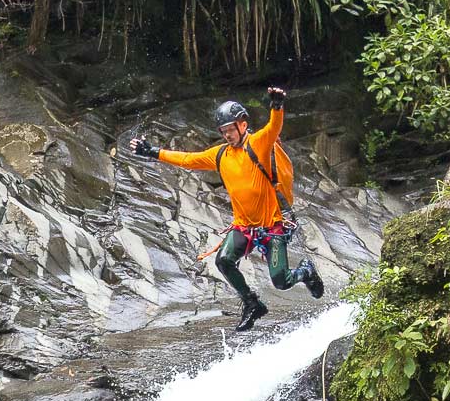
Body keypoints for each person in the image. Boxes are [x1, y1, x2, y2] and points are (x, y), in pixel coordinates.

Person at [127, 88, 323, 331]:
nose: (227, 134)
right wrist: (153, 152)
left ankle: (305, 271)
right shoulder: (220, 155)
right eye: (223, 131)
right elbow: (188, 159)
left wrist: (277, 106)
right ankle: (252, 303)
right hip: (244, 227)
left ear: (243, 125)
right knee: (224, 260)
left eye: (230, 129)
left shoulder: (258, 144)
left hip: (272, 227)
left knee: (281, 281)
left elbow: (274, 128)